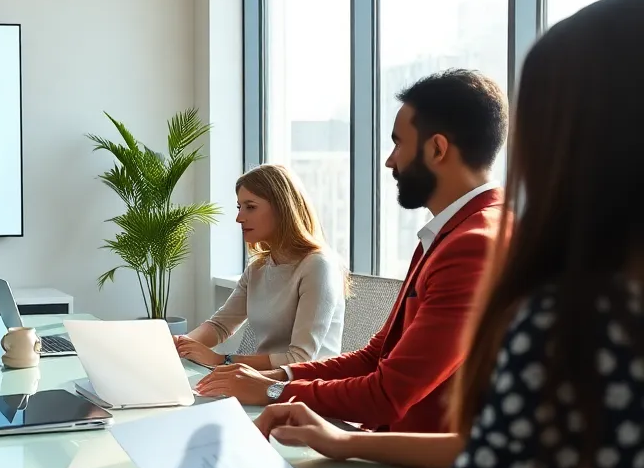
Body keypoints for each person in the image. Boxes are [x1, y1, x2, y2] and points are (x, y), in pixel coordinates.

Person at [52, 0, 644, 468]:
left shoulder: (571, 308)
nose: (387, 159)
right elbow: (505, 454)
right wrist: (332, 430)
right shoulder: (530, 272)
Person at [196, 69, 507, 434]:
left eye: (398, 144)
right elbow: (375, 356)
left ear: (437, 149)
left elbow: (387, 393)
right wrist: (275, 377)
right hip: (385, 441)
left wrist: (272, 390)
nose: (390, 161)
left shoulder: (473, 244)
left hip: (408, 458)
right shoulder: (447, 234)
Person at [175, 164, 346, 370]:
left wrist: (222, 360)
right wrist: (179, 344)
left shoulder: (318, 266)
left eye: (250, 207)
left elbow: (300, 359)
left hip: (306, 384)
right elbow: (220, 326)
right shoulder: (257, 269)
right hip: (262, 379)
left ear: (282, 208)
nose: (239, 218)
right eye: (239, 207)